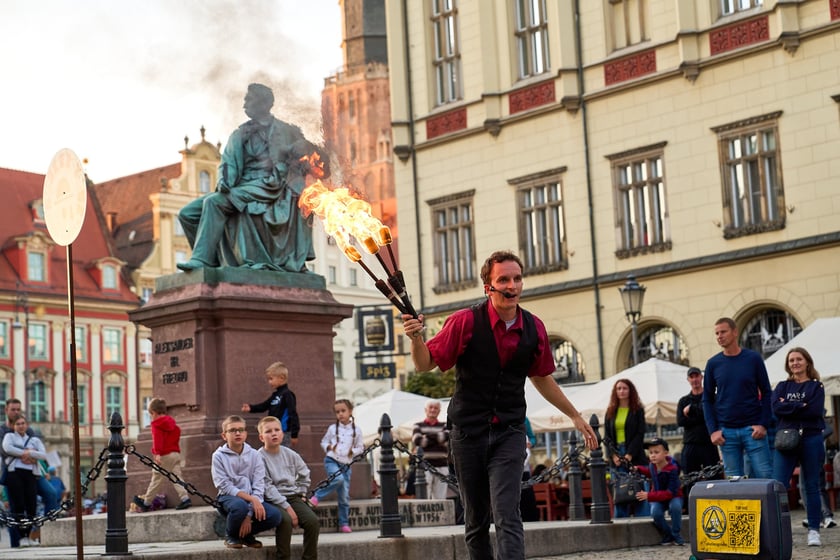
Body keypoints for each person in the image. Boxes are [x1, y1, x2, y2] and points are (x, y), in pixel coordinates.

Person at [401, 250, 598, 560]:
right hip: (468, 433)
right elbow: (425, 364)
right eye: (503, 279)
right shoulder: (464, 321)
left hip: (509, 430)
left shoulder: (534, 328)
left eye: (517, 278)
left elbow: (542, 378)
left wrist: (574, 415)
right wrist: (415, 338)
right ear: (488, 287)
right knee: (477, 519)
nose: (512, 286)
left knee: (507, 513)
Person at [177, 82, 328, 272]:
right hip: (244, 186)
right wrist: (224, 181)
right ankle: (213, 263)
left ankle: (202, 261)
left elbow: (310, 159)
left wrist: (301, 163)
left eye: (249, 99)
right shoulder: (240, 133)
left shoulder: (288, 131)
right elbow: (228, 163)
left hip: (273, 186)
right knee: (187, 214)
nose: (244, 105)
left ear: (265, 103)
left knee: (213, 203)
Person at [702, 317, 773, 479]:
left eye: (723, 332)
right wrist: (713, 430)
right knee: (734, 483)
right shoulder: (713, 364)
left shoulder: (753, 359)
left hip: (753, 430)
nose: (719, 336)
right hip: (726, 433)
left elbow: (767, 393)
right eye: (717, 333)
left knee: (765, 478)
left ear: (735, 332)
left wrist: (763, 424)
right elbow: (707, 399)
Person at [770, 347, 826, 547]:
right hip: (786, 439)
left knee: (811, 485)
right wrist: (800, 406)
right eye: (791, 360)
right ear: (788, 364)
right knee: (778, 485)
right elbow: (776, 408)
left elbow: (815, 411)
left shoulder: (816, 387)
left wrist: (789, 407)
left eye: (798, 359)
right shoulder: (782, 386)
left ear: (807, 362)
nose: (795, 363)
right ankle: (777, 529)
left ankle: (814, 529)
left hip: (811, 438)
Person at [211, 415, 282, 549]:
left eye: (241, 430)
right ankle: (231, 536)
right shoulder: (218, 456)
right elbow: (224, 485)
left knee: (275, 515)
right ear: (224, 435)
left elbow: (259, 484)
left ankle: (245, 535)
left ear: (246, 433)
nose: (237, 433)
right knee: (239, 506)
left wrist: (249, 516)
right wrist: (252, 501)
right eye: (232, 430)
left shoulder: (255, 455)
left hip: (251, 498)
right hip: (229, 498)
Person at [257, 416, 319, 560]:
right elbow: (266, 486)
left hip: (293, 497)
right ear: (261, 437)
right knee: (285, 520)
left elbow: (304, 474)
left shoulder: (291, 454)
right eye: (268, 431)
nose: (273, 433)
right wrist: (287, 508)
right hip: (272, 499)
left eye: (277, 430)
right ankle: (283, 557)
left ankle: (309, 557)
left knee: (312, 522)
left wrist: (302, 492)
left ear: (282, 433)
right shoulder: (259, 457)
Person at [0, 398, 57, 547]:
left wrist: (33, 458)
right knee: (15, 507)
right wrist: (26, 453)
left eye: (18, 409)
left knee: (50, 494)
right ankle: (16, 544)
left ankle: (44, 532)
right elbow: (4, 451)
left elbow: (40, 452)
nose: (16, 412)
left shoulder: (29, 431)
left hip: (32, 471)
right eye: (13, 409)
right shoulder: (2, 431)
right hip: (11, 472)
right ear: (6, 411)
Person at [309, 399, 364, 533]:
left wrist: (353, 452)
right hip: (332, 460)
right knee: (337, 479)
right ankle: (317, 496)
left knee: (344, 496)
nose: (340, 414)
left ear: (350, 411)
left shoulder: (357, 430)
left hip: (346, 464)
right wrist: (329, 447)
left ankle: (343, 523)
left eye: (343, 411)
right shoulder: (333, 428)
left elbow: (361, 447)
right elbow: (324, 441)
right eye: (337, 412)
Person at [132, 398, 192, 512]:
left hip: (164, 454)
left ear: (154, 412)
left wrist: (158, 454)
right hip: (175, 453)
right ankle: (185, 498)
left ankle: (146, 502)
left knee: (157, 478)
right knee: (177, 477)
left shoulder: (156, 424)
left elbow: (157, 440)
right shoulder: (172, 423)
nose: (151, 417)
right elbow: (177, 433)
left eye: (150, 415)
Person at [604, 378, 650, 518]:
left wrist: (630, 454)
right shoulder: (610, 411)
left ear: (630, 391)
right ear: (615, 392)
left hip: (634, 455)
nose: (621, 391)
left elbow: (640, 433)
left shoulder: (637, 410)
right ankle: (620, 521)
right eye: (619, 388)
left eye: (624, 388)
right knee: (620, 492)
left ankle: (643, 520)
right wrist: (613, 455)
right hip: (616, 454)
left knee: (639, 490)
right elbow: (607, 437)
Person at [677, 366, 721, 501]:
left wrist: (692, 411)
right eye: (692, 377)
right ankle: (691, 505)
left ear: (701, 377)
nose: (695, 379)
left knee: (714, 476)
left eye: (697, 376)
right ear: (688, 380)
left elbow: (713, 415)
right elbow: (681, 421)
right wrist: (701, 414)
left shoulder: (710, 397)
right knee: (690, 478)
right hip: (690, 444)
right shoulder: (683, 400)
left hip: (708, 443)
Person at [2, 415, 46, 547]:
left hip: (30, 474)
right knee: (18, 505)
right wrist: (28, 453)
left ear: (27, 425)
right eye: (18, 424)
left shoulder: (34, 440)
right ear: (14, 426)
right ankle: (22, 537)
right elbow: (7, 448)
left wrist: (26, 453)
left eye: (23, 423)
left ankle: (29, 534)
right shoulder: (9, 437)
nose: (21, 426)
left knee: (31, 505)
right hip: (15, 474)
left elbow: (43, 454)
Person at [635, 438, 685, 546]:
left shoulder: (672, 468)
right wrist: (639, 469)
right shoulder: (652, 465)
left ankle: (676, 534)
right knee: (655, 513)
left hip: (673, 496)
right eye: (651, 452)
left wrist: (649, 495)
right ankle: (669, 535)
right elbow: (651, 473)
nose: (652, 455)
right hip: (658, 497)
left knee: (675, 507)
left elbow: (670, 493)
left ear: (665, 453)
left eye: (656, 452)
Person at [242, 361, 300, 447]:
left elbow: (293, 414)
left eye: (271, 379)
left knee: (283, 455)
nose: (269, 382)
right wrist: (251, 408)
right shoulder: (275, 395)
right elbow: (264, 406)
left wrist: (294, 434)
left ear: (281, 378)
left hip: (284, 433)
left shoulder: (288, 395)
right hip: (272, 431)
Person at [411, 399, 450, 499]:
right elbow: (418, 441)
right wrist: (437, 438)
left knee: (440, 498)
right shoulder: (417, 425)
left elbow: (445, 437)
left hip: (442, 466)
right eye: (430, 408)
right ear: (426, 410)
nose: (433, 410)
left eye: (436, 408)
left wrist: (426, 437)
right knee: (425, 497)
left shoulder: (445, 425)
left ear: (439, 411)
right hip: (424, 466)